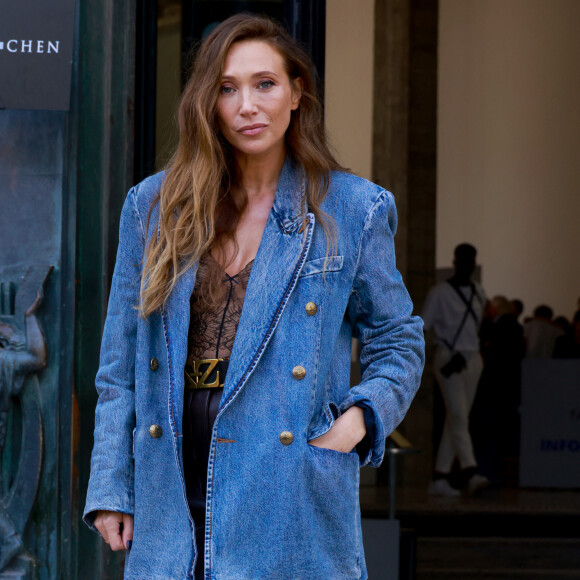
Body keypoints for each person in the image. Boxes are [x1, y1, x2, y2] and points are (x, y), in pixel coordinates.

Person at [82, 14, 425, 580]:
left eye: (265, 84)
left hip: (286, 490)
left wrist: (360, 419)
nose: (247, 105)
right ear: (207, 104)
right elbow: (119, 364)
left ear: (296, 93)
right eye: (226, 88)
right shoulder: (154, 207)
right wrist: (111, 483)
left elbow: (399, 339)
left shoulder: (352, 209)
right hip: (168, 489)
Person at [422, 243, 488, 496]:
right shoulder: (440, 292)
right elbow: (425, 326)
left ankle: (440, 476)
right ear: (455, 261)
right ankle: (470, 470)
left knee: (456, 419)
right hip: (449, 358)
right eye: (463, 260)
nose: (467, 265)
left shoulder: (478, 291)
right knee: (459, 416)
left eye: (471, 260)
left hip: (472, 359)